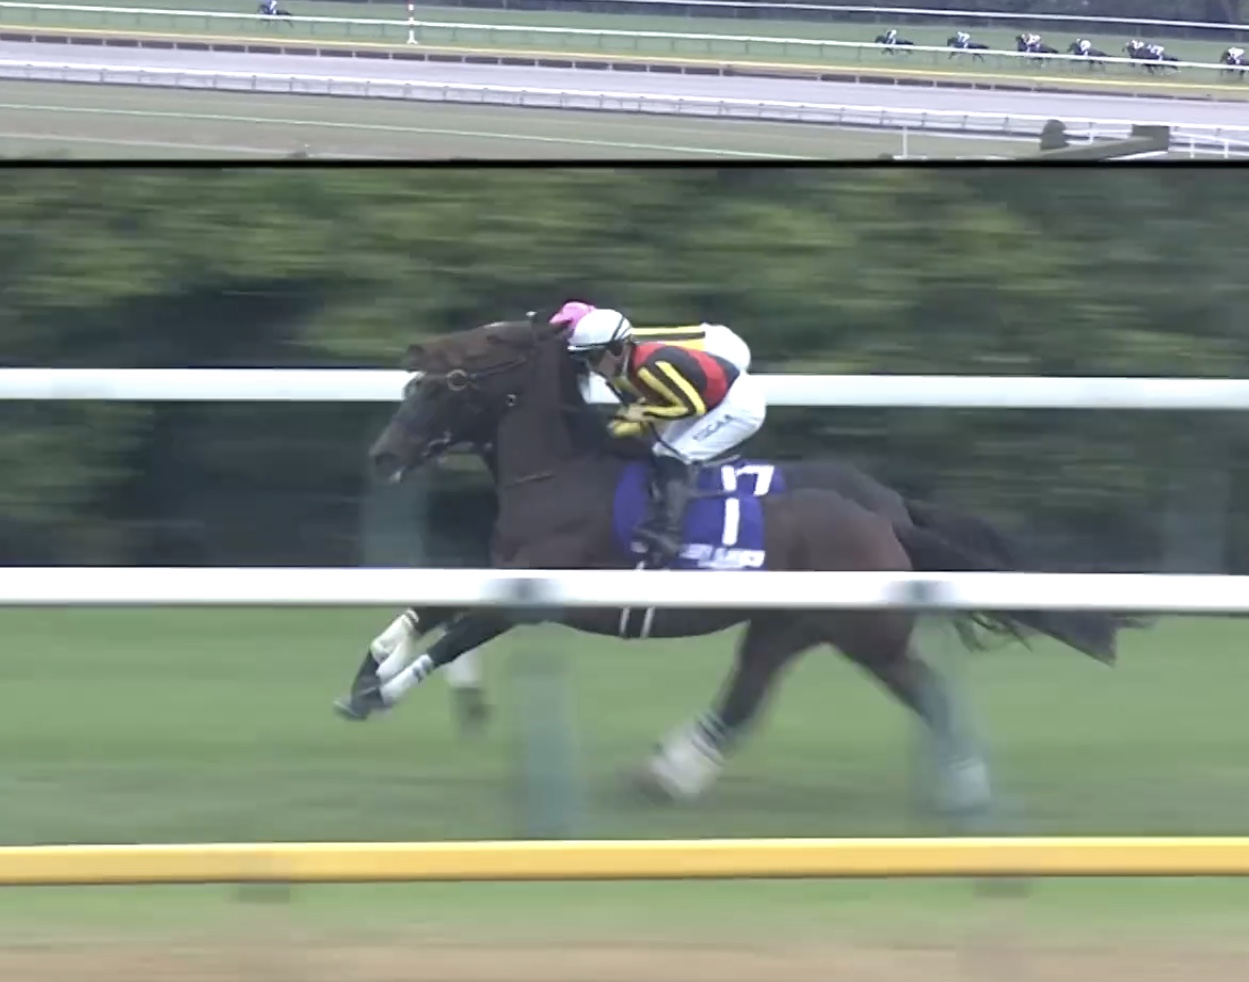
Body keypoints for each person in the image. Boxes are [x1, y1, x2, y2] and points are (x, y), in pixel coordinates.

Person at [555, 306, 767, 568]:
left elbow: (692, 407)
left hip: (738, 406)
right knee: (662, 452)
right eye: (585, 359)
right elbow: (655, 412)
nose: (592, 366)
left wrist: (642, 414)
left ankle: (670, 534)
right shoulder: (626, 370)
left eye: (594, 357)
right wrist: (618, 427)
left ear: (617, 350)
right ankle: (660, 520)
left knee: (679, 453)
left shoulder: (648, 367)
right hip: (715, 400)